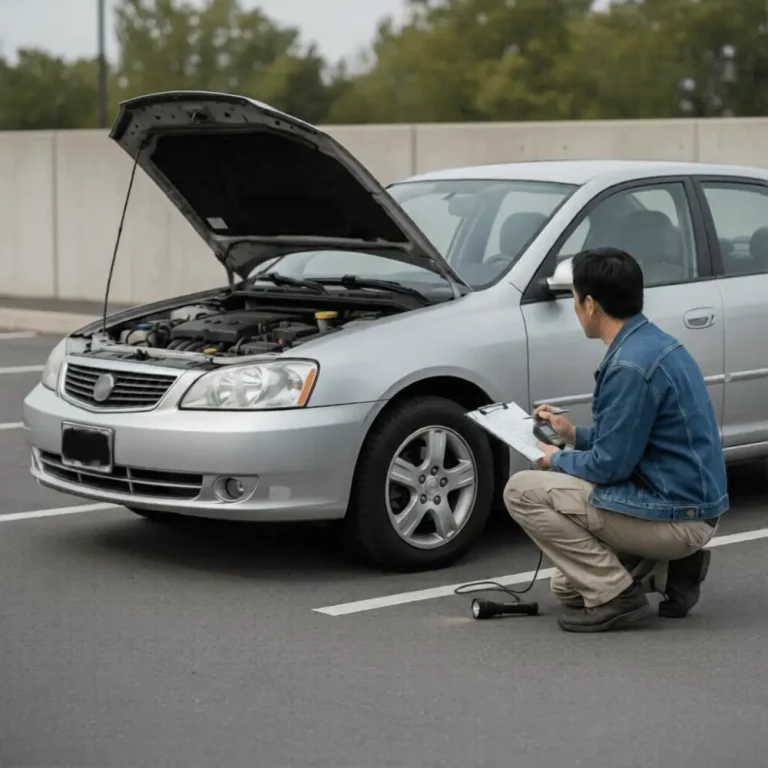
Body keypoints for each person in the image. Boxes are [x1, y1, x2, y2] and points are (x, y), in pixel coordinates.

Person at [503, 247, 728, 633]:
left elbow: (609, 467)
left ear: (589, 304)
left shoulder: (628, 366)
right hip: (689, 505)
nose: (575, 307)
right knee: (567, 587)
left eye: (574, 298)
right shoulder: (655, 343)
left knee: (521, 489)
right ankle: (670, 572)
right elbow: (634, 441)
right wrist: (573, 435)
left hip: (677, 516)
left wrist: (552, 459)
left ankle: (617, 598)